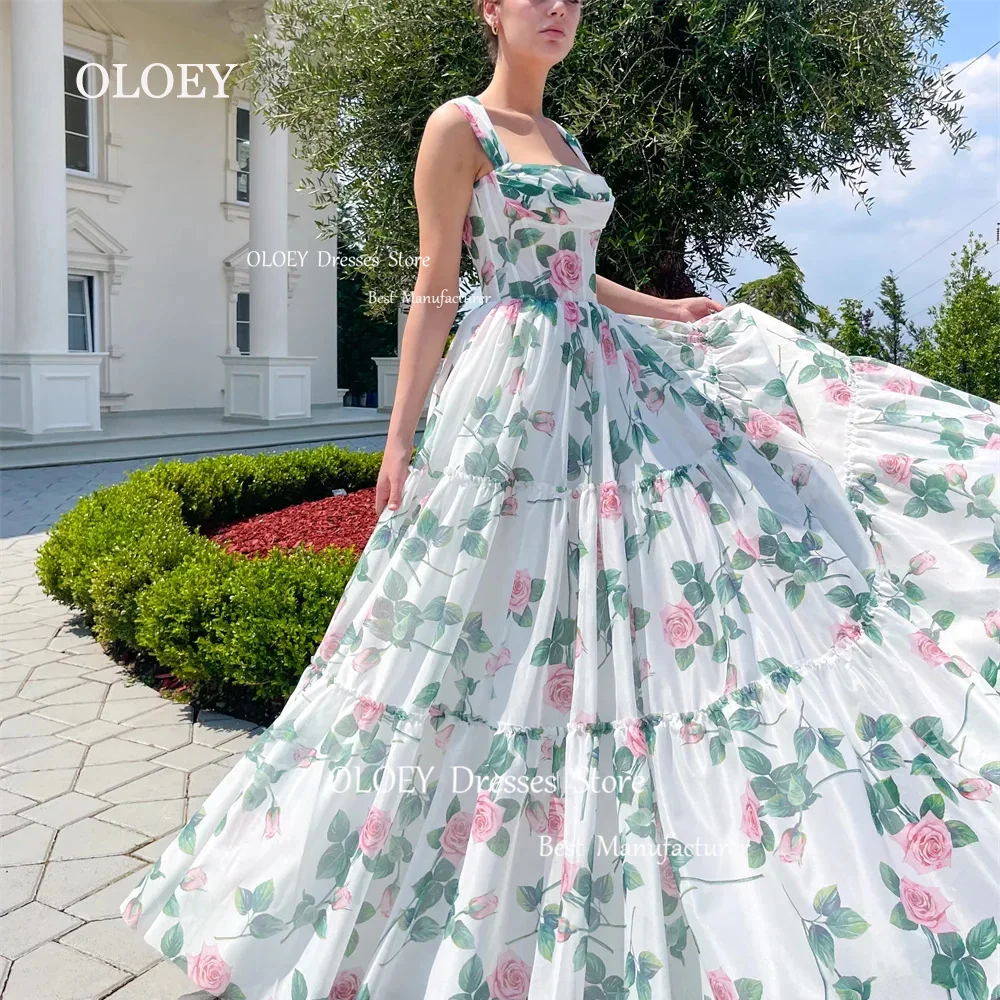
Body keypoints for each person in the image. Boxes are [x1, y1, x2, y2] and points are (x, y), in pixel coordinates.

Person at [120, 1, 1000, 998]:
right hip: (514, 390)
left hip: (608, 376)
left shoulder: (567, 137)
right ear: (489, 12)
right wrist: (400, 432)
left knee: (676, 578)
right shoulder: (461, 127)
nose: (558, 9)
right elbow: (436, 283)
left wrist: (663, 306)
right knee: (479, 620)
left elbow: (579, 274)